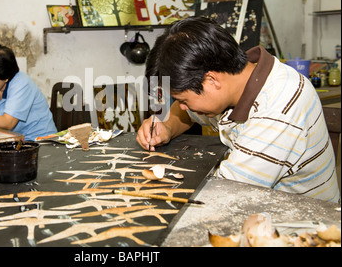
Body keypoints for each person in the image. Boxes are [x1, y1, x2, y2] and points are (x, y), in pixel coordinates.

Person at [137, 16, 340, 203]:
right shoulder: (237, 80)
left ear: (211, 79)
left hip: (301, 224)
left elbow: (225, 195)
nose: (182, 106)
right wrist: (167, 126)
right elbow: (187, 112)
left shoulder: (277, 108)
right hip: (260, 200)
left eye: (183, 99)